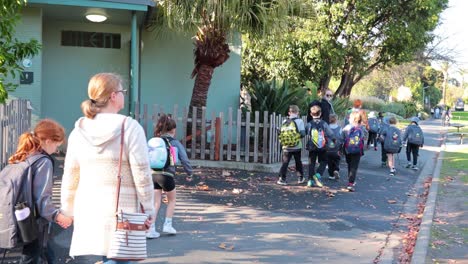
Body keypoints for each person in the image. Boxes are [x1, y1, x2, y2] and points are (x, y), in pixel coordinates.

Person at [60, 73, 155, 264]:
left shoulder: (79, 130)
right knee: (120, 257)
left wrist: (68, 210)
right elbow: (142, 173)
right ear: (113, 96)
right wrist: (149, 206)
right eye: (122, 91)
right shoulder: (129, 127)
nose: (123, 95)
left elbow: (71, 175)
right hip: (121, 210)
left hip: (87, 207)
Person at [6, 119, 72, 264]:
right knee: (32, 257)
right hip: (31, 222)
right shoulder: (43, 161)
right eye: (56, 145)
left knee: (44, 254)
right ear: (48, 141)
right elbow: (42, 197)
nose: (56, 150)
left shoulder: (23, 156)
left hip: (15, 216)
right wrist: (57, 216)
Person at [146, 114, 193, 239]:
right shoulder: (175, 143)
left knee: (156, 203)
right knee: (171, 200)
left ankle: (150, 228)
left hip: (153, 175)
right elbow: (184, 159)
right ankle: (168, 224)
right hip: (167, 175)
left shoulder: (155, 141)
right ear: (173, 130)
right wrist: (189, 173)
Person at [305, 105, 335, 187]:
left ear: (311, 114)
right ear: (321, 113)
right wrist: (333, 140)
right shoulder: (324, 123)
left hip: (312, 146)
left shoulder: (309, 124)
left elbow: (305, 133)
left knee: (312, 163)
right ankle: (318, 175)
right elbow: (330, 133)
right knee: (324, 161)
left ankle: (310, 181)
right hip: (322, 146)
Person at [277, 105, 306, 185]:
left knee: (285, 162)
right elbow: (303, 134)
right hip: (296, 146)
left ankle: (282, 179)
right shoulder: (300, 121)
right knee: (298, 162)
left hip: (286, 146)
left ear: (289, 112)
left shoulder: (284, 121)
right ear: (298, 112)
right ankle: (300, 178)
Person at [342, 112, 366, 192]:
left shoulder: (347, 127)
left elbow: (342, 137)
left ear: (351, 119)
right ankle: (351, 182)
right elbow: (364, 137)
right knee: (354, 166)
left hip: (347, 149)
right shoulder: (361, 128)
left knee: (349, 164)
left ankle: (350, 178)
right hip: (357, 150)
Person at [326, 114, 343, 180]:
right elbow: (341, 138)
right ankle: (336, 169)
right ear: (336, 120)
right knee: (337, 160)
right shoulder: (339, 128)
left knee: (329, 161)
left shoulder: (327, 128)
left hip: (328, 148)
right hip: (336, 148)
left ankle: (331, 175)